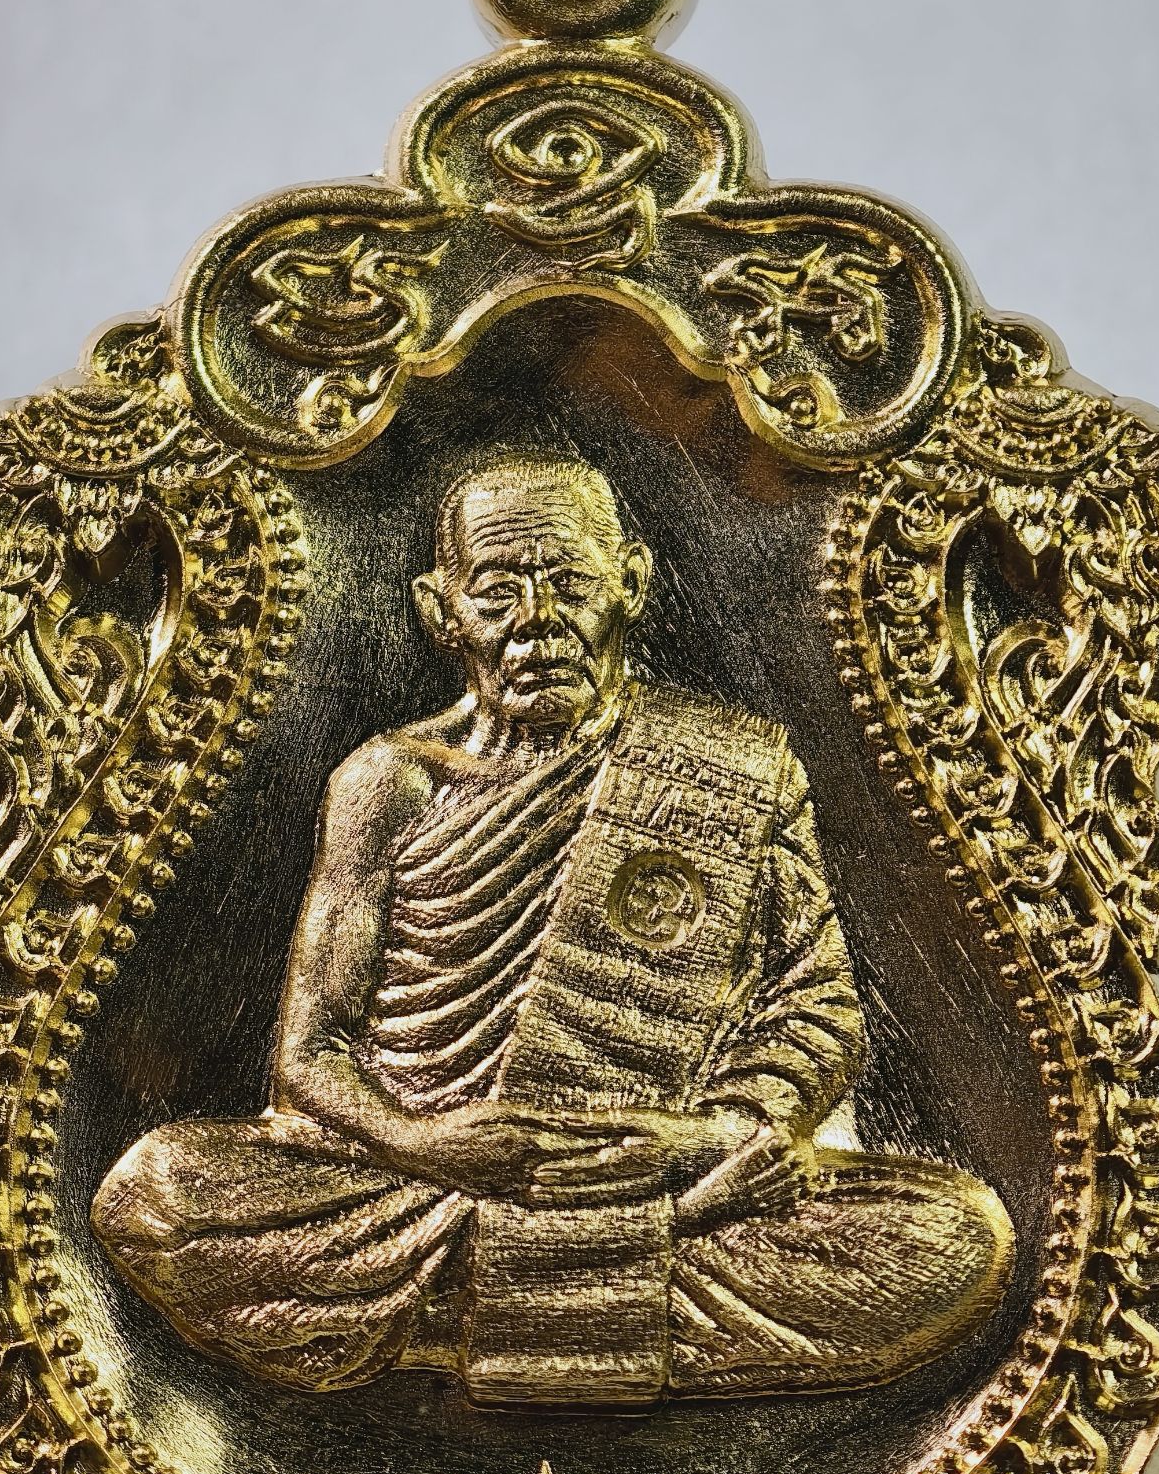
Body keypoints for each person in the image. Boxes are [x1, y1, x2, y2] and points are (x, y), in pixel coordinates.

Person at [92, 454, 1011, 1403]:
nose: (536, 619)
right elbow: (309, 1054)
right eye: (498, 590)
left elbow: (815, 1011)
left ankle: (451, 1307)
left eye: (569, 582)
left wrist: (699, 1142)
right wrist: (423, 1143)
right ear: (442, 610)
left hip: (653, 1164)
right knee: (155, 1195)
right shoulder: (388, 781)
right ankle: (618, 1278)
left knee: (955, 1238)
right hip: (430, 1181)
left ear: (631, 585)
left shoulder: (735, 768)